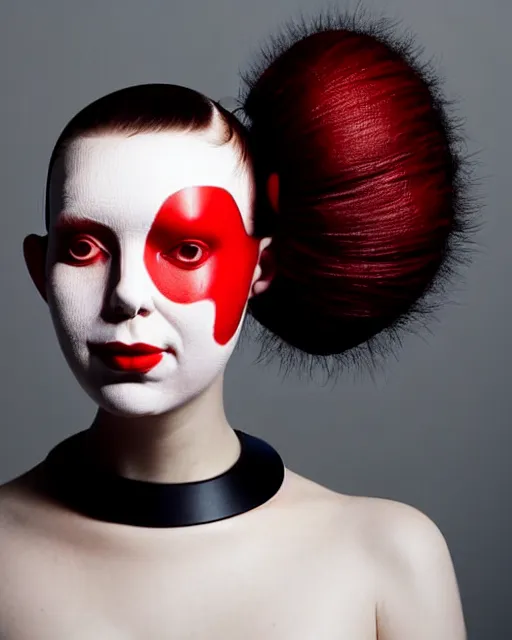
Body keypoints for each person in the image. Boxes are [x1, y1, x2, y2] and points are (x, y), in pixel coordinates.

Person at [0, 13, 473, 639]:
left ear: (261, 266)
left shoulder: (388, 558)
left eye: (187, 250)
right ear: (40, 268)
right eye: (85, 249)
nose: (127, 296)